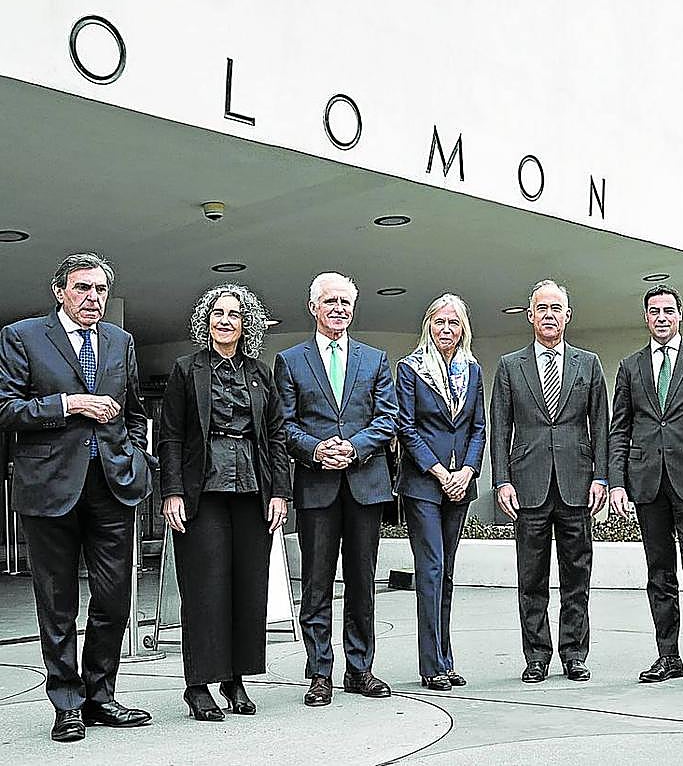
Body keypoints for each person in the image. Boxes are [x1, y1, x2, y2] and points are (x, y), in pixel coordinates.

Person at [0, 253, 154, 742]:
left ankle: (100, 696)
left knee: (114, 597)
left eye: (101, 290)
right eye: (83, 288)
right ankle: (65, 702)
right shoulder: (22, 336)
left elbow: (132, 409)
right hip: (49, 487)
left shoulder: (120, 341)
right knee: (57, 600)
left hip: (111, 485)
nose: (93, 298)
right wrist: (67, 404)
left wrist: (136, 456)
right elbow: (6, 408)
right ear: (59, 291)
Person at [158, 284, 291, 721]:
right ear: (206, 320)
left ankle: (235, 679)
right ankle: (197, 685)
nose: (225, 320)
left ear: (246, 323)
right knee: (204, 589)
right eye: (218, 313)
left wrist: (280, 493)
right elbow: (171, 434)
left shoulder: (260, 373)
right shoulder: (185, 369)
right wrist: (172, 491)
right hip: (201, 492)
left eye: (234, 314)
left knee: (247, 588)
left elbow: (274, 436)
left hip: (253, 491)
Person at [274, 272, 399, 706]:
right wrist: (315, 450)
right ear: (313, 307)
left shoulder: (376, 359)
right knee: (316, 583)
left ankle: (359, 669)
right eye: (330, 301)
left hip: (365, 484)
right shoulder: (290, 361)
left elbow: (387, 419)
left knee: (363, 581)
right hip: (317, 487)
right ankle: (320, 673)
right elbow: (284, 426)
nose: (338, 309)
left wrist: (353, 447)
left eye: (345, 302)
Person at [609, 285, 683, 692]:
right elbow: (619, 429)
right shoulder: (630, 367)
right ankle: (668, 656)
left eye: (668, 311)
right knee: (659, 574)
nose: (661, 317)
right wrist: (616, 483)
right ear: (646, 317)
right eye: (654, 311)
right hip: (647, 485)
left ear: (680, 315)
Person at [491, 279, 609, 684]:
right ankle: (537, 655)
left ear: (567, 315)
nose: (549, 315)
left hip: (577, 484)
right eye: (542, 308)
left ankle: (574, 653)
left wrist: (603, 477)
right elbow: (499, 427)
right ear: (530, 315)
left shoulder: (588, 364)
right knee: (532, 575)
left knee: (577, 575)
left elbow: (601, 426)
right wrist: (502, 480)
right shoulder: (510, 366)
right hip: (528, 485)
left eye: (556, 308)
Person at [394, 293, 486, 691]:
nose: (446, 329)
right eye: (439, 322)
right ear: (428, 325)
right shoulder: (411, 369)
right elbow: (406, 427)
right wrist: (438, 471)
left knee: (446, 572)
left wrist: (466, 471)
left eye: (454, 323)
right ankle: (431, 665)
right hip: (423, 485)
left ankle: (446, 658)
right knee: (430, 570)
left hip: (460, 484)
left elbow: (479, 427)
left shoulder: (473, 370)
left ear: (463, 328)